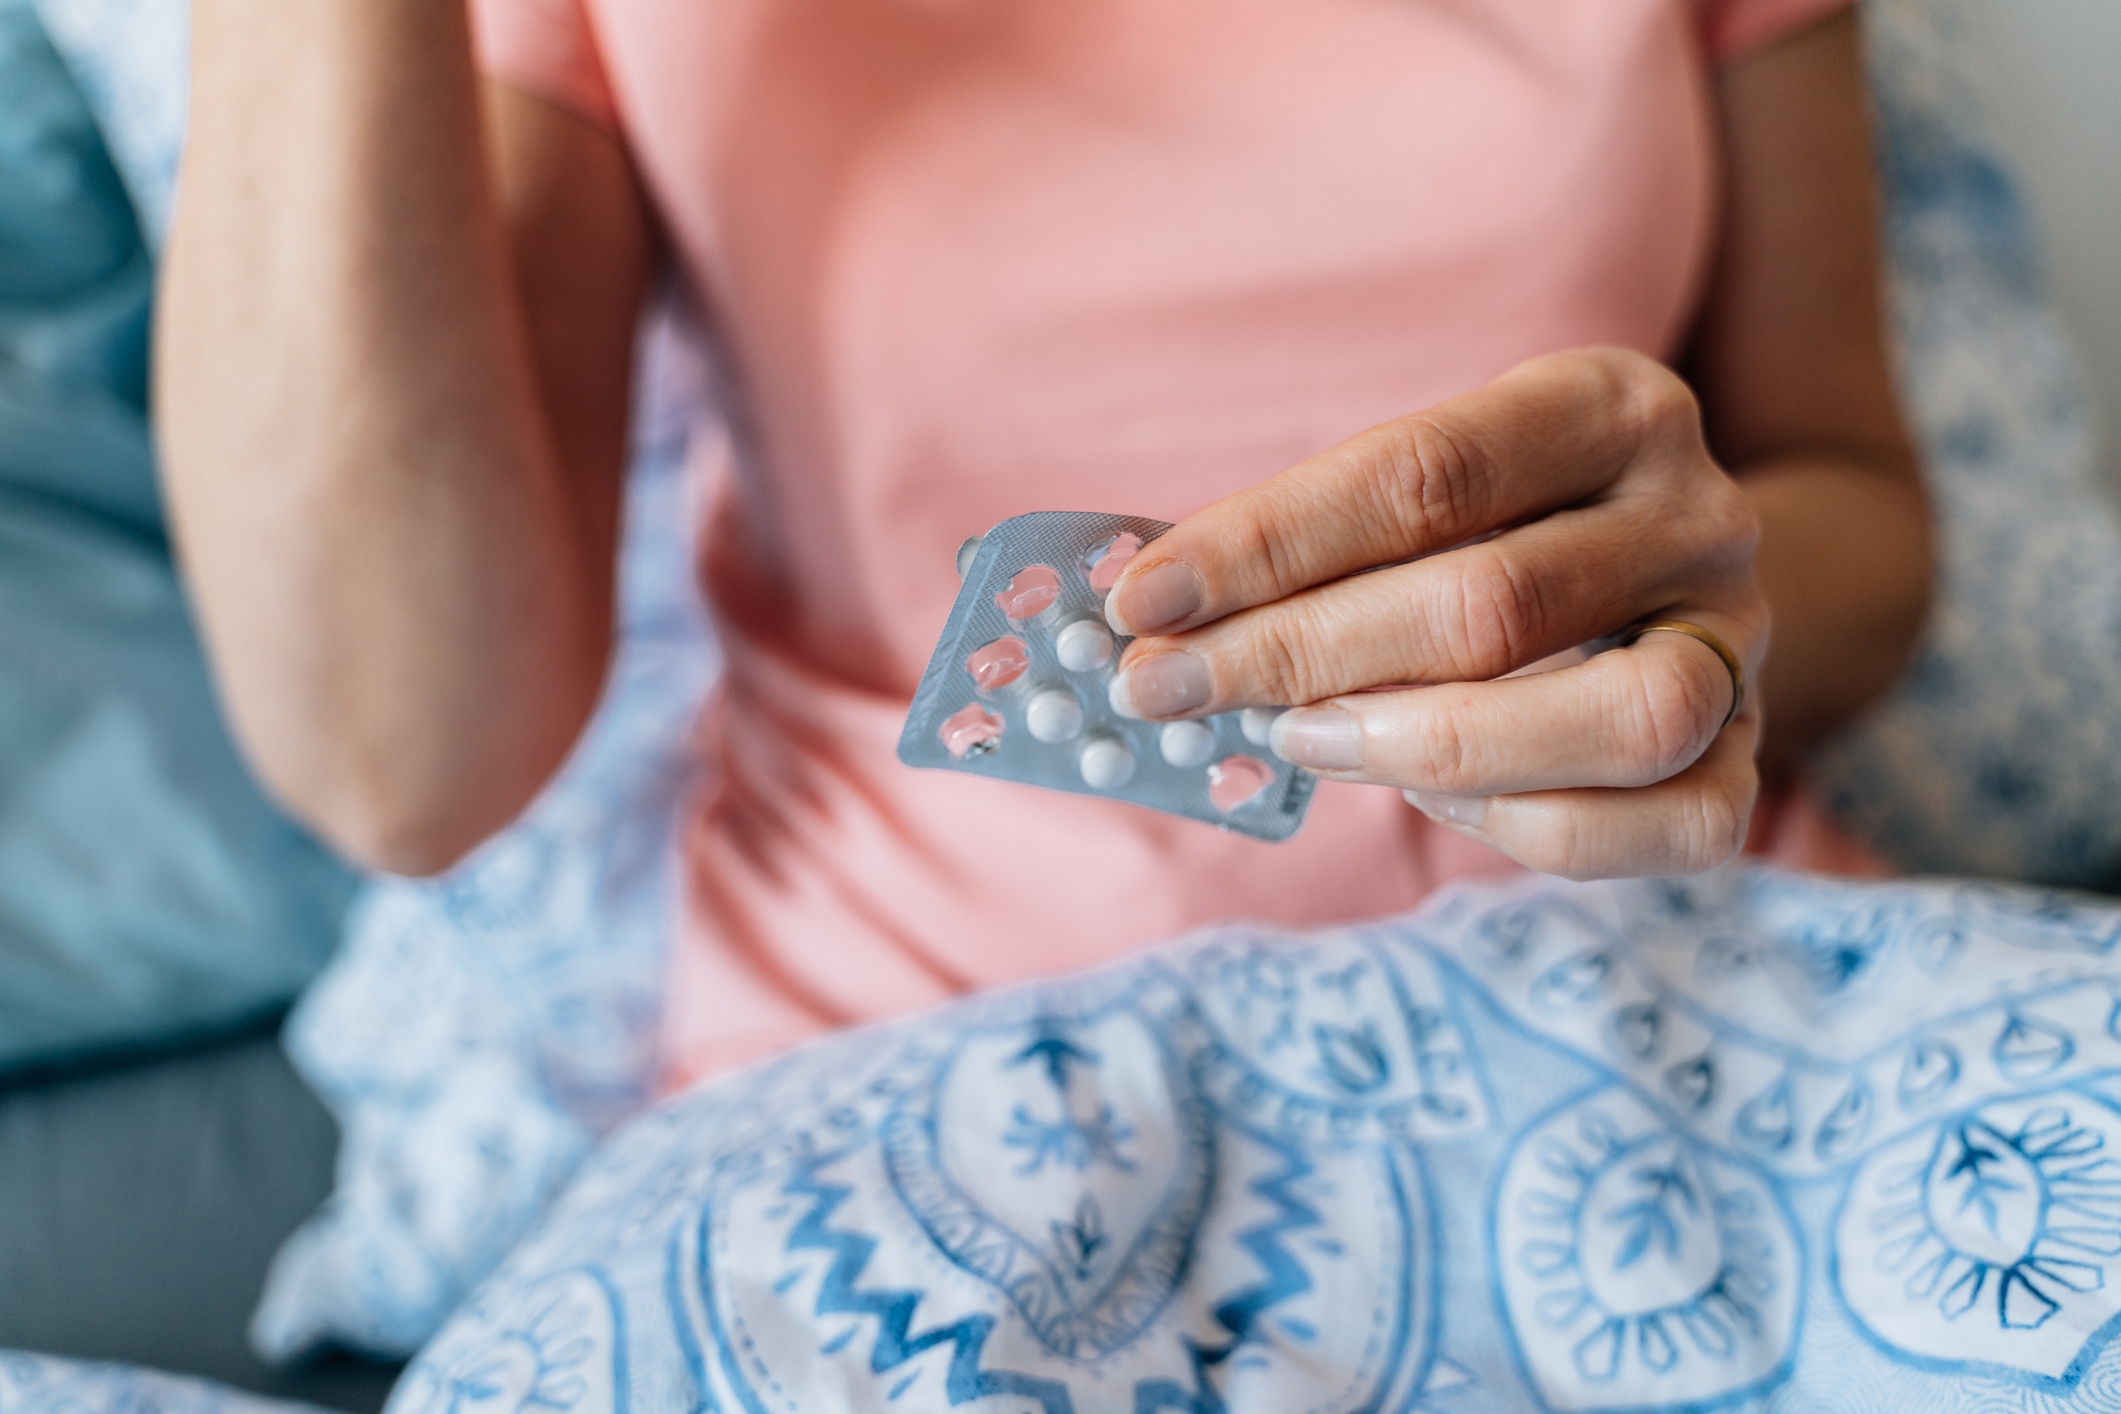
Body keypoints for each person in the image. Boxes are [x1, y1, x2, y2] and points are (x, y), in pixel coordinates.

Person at [160, 0, 1931, 1089]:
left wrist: (1687, 625)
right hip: (915, 1062)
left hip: (1677, 987)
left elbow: (1848, 497)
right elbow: (399, 752)